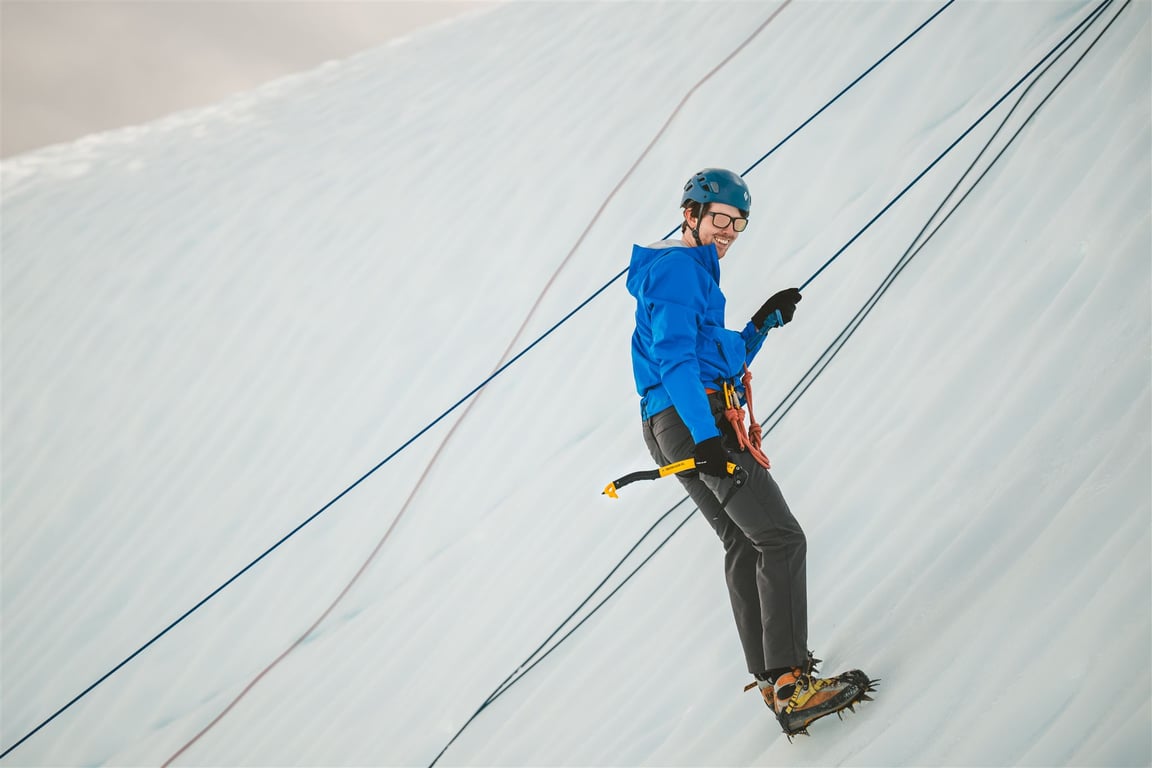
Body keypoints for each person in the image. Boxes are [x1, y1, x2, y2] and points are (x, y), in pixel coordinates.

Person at [625, 168, 874, 736]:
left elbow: (715, 355)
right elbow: (676, 361)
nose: (729, 232)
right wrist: (708, 436)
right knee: (781, 538)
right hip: (694, 422)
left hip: (671, 423)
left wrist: (761, 325)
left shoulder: (688, 274)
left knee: (743, 539)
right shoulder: (678, 272)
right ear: (690, 214)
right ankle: (792, 683)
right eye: (720, 220)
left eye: (738, 225)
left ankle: (773, 681)